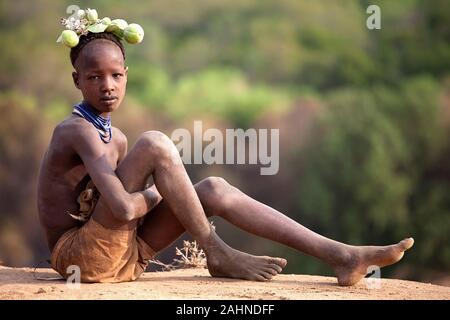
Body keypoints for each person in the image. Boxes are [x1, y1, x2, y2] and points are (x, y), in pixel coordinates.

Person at [37, 11, 414, 285]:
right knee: (154, 143)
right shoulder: (77, 131)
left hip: (124, 257)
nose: (108, 85)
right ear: (77, 80)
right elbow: (121, 207)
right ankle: (215, 250)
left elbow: (122, 210)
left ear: (126, 76)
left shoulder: (114, 137)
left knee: (213, 189)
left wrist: (160, 196)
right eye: (94, 77)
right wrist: (157, 192)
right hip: (80, 258)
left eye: (116, 75)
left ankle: (343, 256)